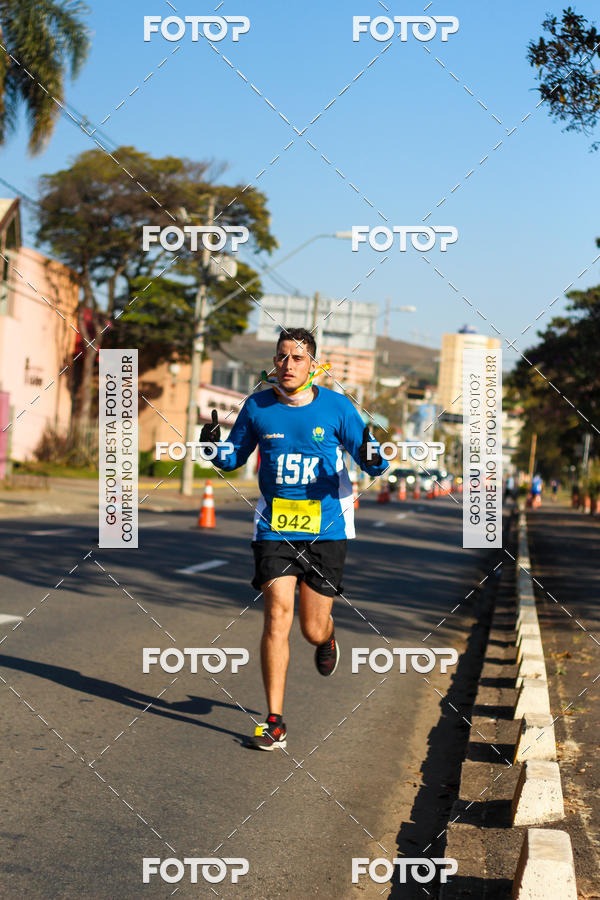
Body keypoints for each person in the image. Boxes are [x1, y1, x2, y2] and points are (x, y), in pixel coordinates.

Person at [200, 327, 388, 750]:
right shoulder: (258, 406)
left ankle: (327, 636)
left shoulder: (338, 408)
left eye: (297, 358)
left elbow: (370, 460)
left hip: (327, 529)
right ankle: (274, 721)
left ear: (314, 365)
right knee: (277, 615)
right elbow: (233, 458)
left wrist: (376, 457)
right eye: (281, 357)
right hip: (275, 529)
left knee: (310, 626)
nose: (287, 365)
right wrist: (211, 450)